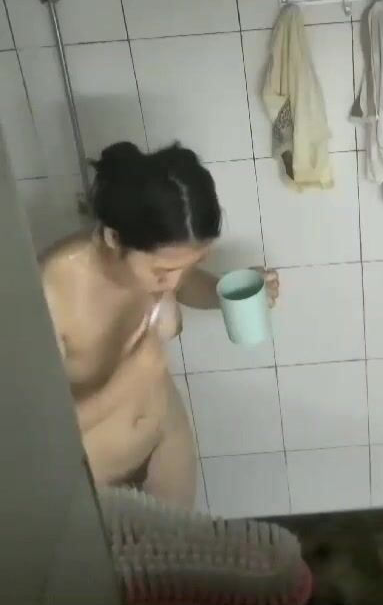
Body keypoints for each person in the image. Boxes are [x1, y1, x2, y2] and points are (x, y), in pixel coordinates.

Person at [40, 140, 279, 508]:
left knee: (180, 541)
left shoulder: (159, 265)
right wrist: (126, 383)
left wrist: (222, 294)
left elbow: (182, 281)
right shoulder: (50, 290)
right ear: (114, 237)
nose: (173, 281)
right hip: (94, 477)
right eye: (163, 270)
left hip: (164, 438)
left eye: (190, 263)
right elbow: (38, 436)